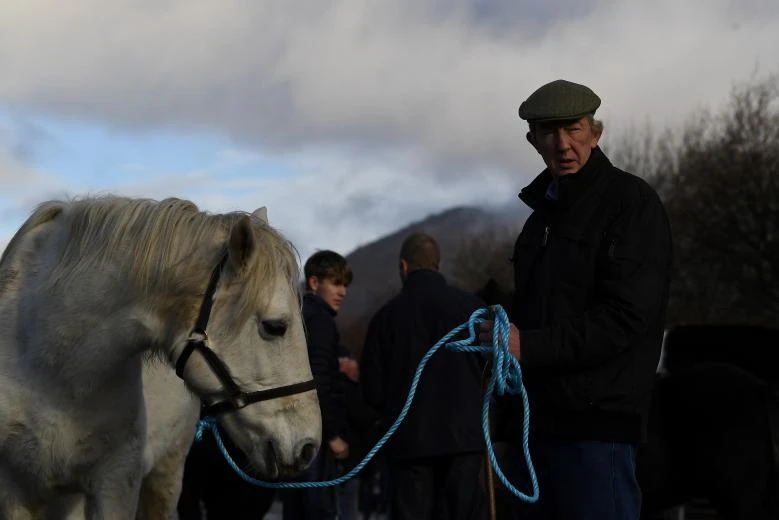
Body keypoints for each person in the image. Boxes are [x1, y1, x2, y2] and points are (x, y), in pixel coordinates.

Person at [481, 79, 673, 520]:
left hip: (597, 430)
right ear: (533, 141)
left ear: (595, 132)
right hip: (534, 429)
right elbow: (540, 312)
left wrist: (526, 345)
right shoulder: (537, 224)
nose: (563, 144)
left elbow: (627, 318)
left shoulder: (632, 204)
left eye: (574, 129)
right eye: (550, 132)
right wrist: (498, 335)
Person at [361, 232, 489, 520]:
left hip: (408, 444)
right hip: (465, 441)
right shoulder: (472, 310)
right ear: (438, 265)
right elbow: (492, 376)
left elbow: (373, 392)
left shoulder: (384, 319)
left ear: (404, 267)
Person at [282, 250, 352, 520]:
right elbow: (319, 379)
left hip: (291, 435)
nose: (343, 291)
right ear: (314, 283)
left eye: (345, 284)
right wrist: (333, 435)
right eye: (336, 283)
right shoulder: (320, 320)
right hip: (315, 438)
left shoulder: (297, 316)